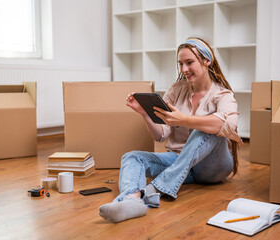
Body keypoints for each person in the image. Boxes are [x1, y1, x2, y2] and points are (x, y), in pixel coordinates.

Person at [99, 37, 242, 223]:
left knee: (207, 129)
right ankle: (132, 201)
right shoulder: (176, 90)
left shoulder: (223, 94)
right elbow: (161, 135)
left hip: (212, 167)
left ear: (207, 61)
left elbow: (230, 125)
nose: (184, 70)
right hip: (179, 163)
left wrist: (185, 120)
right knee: (132, 157)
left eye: (189, 62)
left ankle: (155, 189)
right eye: (181, 64)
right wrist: (145, 114)